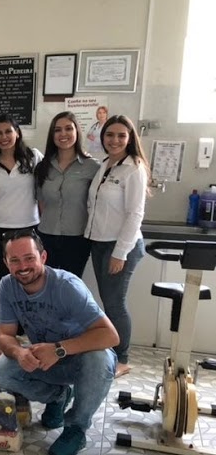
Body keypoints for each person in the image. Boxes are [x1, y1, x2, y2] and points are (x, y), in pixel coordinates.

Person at [0, 229, 118, 455]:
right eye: (15, 260)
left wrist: (59, 349)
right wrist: (19, 352)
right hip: (46, 358)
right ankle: (58, 396)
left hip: (81, 358)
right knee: (2, 371)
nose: (23, 266)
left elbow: (110, 336)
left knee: (100, 359)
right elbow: (5, 335)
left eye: (29, 258)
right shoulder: (7, 286)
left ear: (43, 257)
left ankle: (76, 428)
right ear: (6, 263)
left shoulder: (67, 286)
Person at [85, 114, 150, 379]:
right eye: (110, 135)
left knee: (115, 304)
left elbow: (135, 214)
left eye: (121, 135)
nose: (115, 140)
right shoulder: (105, 164)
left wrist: (120, 253)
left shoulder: (134, 168)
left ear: (130, 138)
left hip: (120, 246)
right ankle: (111, 351)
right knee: (107, 301)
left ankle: (122, 358)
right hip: (99, 242)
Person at [0, 114, 42, 327]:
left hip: (28, 229)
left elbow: (44, 191)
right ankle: (2, 329)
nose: (4, 137)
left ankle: (28, 329)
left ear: (17, 133)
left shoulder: (34, 157)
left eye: (8, 131)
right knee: (3, 279)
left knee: (30, 279)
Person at [34, 112, 100, 277]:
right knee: (45, 283)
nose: (63, 134)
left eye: (68, 129)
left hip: (77, 238)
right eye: (57, 130)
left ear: (77, 131)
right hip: (46, 236)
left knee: (71, 284)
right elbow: (41, 202)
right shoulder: (43, 167)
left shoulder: (92, 167)